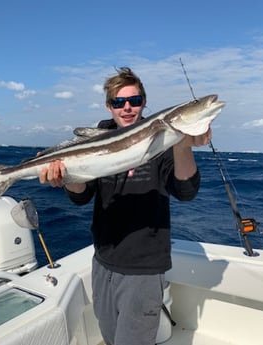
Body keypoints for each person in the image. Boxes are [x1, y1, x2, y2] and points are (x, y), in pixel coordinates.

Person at [39, 67, 211, 345]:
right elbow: (81, 196)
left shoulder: (163, 139)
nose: (128, 107)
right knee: (109, 336)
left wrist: (183, 144)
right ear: (109, 106)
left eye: (135, 100)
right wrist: (66, 177)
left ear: (144, 103)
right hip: (102, 262)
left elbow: (186, 191)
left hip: (143, 268)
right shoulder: (97, 139)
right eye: (119, 102)